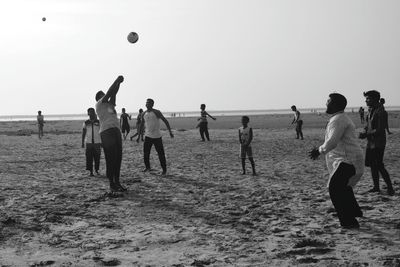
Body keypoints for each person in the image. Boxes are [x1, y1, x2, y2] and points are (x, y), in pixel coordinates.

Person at [309, 93, 364, 229]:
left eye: (328, 101)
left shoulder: (338, 120)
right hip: (348, 160)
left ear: (335, 104)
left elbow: (332, 142)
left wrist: (319, 150)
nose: (326, 104)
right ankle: (355, 212)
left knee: (334, 188)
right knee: (344, 187)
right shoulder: (340, 118)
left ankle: (349, 222)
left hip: (348, 161)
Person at [95, 75, 126, 192]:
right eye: (102, 94)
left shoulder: (110, 105)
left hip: (116, 130)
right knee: (111, 158)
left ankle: (117, 182)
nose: (105, 95)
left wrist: (119, 84)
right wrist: (116, 80)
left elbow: (114, 93)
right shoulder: (99, 104)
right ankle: (111, 183)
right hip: (106, 132)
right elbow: (109, 92)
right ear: (99, 97)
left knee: (118, 157)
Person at [359, 91, 394, 196]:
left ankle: (390, 188)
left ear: (375, 99)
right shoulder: (370, 110)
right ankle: (376, 187)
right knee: (373, 165)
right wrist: (365, 132)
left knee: (379, 165)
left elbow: (380, 129)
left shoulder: (381, 112)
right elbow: (368, 125)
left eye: (368, 98)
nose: (366, 100)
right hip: (371, 142)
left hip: (378, 143)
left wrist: (366, 134)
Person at [140, 98, 174, 175]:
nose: (147, 104)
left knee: (161, 153)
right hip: (147, 136)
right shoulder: (144, 113)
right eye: (146, 103)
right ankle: (147, 167)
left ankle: (164, 169)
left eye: (148, 103)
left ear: (152, 104)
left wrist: (170, 131)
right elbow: (142, 124)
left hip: (157, 137)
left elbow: (165, 121)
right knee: (146, 153)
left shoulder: (156, 112)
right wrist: (139, 136)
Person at [82, 108, 101, 177]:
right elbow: (83, 133)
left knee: (97, 157)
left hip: (97, 142)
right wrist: (82, 142)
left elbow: (101, 132)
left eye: (93, 112)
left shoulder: (99, 122)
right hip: (89, 142)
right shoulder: (86, 122)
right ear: (88, 113)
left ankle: (96, 170)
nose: (91, 113)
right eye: (90, 112)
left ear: (94, 113)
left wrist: (102, 142)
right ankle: (90, 171)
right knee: (89, 157)